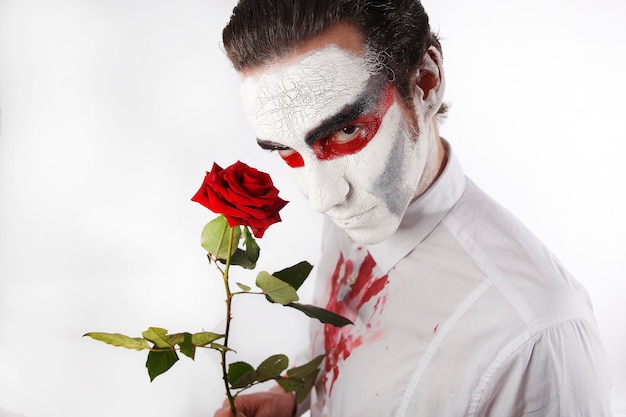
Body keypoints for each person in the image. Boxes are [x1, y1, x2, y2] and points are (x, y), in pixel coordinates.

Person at [215, 1, 613, 416]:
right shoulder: (358, 203)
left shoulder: (537, 334)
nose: (321, 198)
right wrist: (296, 393)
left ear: (425, 80)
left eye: (347, 130)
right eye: (287, 151)